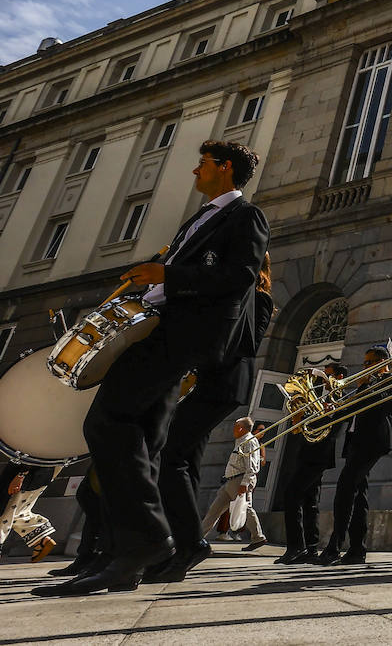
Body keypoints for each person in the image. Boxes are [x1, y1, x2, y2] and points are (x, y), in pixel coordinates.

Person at [36, 140, 269, 598]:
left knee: (109, 422)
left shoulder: (246, 216)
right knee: (143, 438)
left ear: (224, 169)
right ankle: (130, 554)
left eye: (201, 164)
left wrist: (169, 277)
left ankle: (143, 543)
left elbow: (241, 276)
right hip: (163, 328)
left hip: (182, 336)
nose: (194, 172)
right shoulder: (197, 219)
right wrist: (151, 277)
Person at [148, 250, 274, 583]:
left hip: (225, 383)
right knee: (183, 458)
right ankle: (181, 544)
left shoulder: (259, 298)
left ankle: (188, 543)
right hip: (209, 381)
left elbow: (248, 343)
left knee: (172, 453)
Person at [316, 347, 392, 566]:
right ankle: (356, 549)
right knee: (359, 494)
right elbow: (350, 410)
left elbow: (376, 404)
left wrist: (363, 385)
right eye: (364, 363)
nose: (365, 367)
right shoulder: (365, 383)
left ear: (383, 362)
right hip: (355, 441)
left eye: (370, 362)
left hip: (372, 442)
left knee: (345, 489)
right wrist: (331, 407)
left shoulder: (391, 380)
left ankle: (334, 546)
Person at [277, 364, 345, 564]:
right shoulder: (316, 395)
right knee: (310, 501)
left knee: (291, 495)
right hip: (306, 452)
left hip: (320, 454)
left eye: (328, 373)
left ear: (338, 376)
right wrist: (300, 415)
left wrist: (320, 414)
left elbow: (334, 428)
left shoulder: (339, 397)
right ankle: (310, 548)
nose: (323, 376)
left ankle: (295, 546)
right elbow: (300, 429)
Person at [0, 463, 58, 571]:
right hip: (46, 470)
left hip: (29, 471)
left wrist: (20, 475)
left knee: (3, 512)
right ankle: (41, 539)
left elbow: (34, 450)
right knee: (16, 511)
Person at [198, 417, 266, 547]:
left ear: (240, 428)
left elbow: (252, 466)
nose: (233, 429)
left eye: (235, 427)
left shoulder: (249, 442)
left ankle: (258, 537)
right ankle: (198, 538)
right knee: (214, 510)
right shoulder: (240, 441)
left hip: (239, 481)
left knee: (245, 508)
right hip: (230, 481)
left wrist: (245, 483)